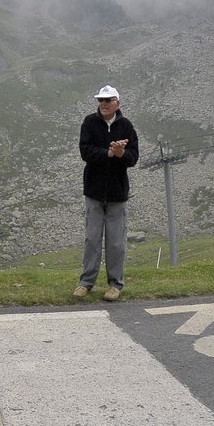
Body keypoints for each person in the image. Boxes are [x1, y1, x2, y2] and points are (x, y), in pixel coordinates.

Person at [74, 85, 139, 302]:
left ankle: (115, 285)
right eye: (101, 100)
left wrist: (121, 154)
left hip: (117, 194)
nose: (104, 104)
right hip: (94, 192)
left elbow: (133, 157)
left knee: (116, 242)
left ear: (117, 103)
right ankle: (86, 282)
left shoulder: (126, 126)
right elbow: (85, 151)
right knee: (92, 239)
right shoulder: (89, 122)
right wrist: (109, 153)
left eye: (108, 100)